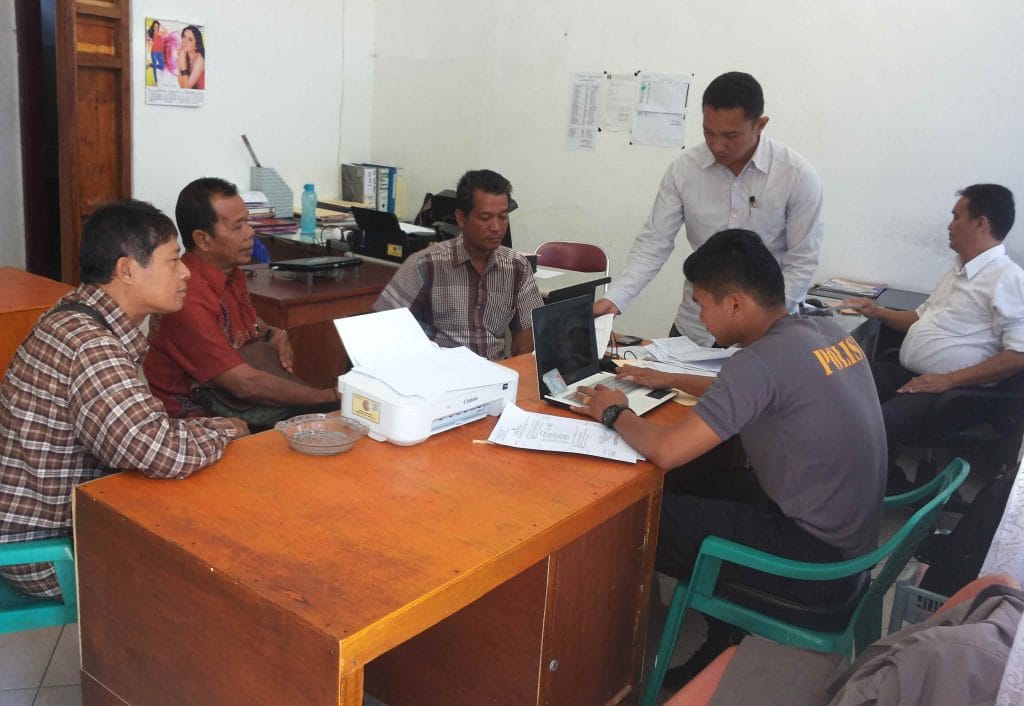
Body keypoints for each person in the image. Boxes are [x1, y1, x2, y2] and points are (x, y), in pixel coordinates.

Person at [576, 229, 886, 685]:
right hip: (850, 541)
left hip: (813, 563)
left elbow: (667, 450)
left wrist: (614, 412)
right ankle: (720, 638)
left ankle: (607, 670)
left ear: (736, 303)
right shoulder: (821, 331)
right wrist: (668, 378)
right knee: (695, 485)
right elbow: (755, 388)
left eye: (702, 304)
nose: (700, 316)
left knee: (631, 518)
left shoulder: (757, 363)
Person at [0, 200, 249, 600]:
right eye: (173, 260)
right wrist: (225, 430)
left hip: (35, 527)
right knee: (217, 557)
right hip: (45, 553)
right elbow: (156, 450)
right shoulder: (91, 345)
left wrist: (204, 429)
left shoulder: (75, 313)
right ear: (127, 269)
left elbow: (142, 432)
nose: (186, 272)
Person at [594, 71, 824, 345]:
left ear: (760, 125)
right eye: (708, 133)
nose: (717, 145)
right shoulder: (685, 170)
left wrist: (761, 322)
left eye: (730, 135)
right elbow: (654, 242)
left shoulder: (795, 176)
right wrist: (616, 298)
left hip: (763, 335)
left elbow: (802, 262)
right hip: (696, 326)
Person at [843, 184, 1024, 482]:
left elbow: (1018, 355)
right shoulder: (958, 271)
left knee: (876, 424)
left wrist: (948, 380)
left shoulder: (1008, 279)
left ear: (981, 223)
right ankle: (881, 477)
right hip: (918, 375)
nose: (949, 226)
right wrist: (877, 311)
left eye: (956, 217)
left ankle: (881, 486)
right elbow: (919, 317)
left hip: (958, 393)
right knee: (840, 383)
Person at [144, 177, 337, 428]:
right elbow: (245, 384)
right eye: (237, 227)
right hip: (199, 425)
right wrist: (327, 398)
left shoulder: (232, 274)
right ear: (203, 239)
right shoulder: (185, 297)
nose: (250, 233)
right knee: (328, 421)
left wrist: (274, 332)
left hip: (240, 408)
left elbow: (249, 324)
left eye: (247, 221)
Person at [373, 169, 544, 360]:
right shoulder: (425, 265)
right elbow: (383, 329)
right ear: (461, 218)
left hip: (496, 371)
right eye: (485, 218)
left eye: (503, 217)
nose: (496, 227)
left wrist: (519, 369)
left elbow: (526, 336)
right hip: (439, 371)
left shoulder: (517, 267)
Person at [177, 24, 205, 90]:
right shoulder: (184, 55)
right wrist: (180, 60)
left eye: (190, 39)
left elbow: (186, 88)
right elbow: (181, 85)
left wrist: (182, 62)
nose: (185, 41)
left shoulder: (200, 60)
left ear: (196, 45)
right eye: (184, 36)